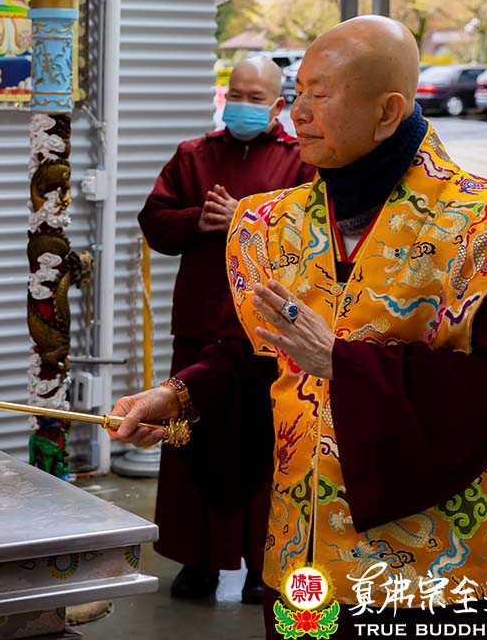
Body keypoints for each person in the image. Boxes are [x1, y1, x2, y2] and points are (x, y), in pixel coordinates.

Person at [111, 16, 487, 635]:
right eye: (298, 92)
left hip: (426, 575)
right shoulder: (269, 224)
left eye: (320, 94)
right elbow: (250, 357)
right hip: (300, 559)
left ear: (388, 112)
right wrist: (180, 395)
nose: (298, 112)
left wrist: (340, 363)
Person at [138, 56, 313, 604]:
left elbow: (312, 235)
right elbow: (154, 223)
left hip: (268, 332)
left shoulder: (301, 162)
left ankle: (265, 565)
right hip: (199, 323)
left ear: (278, 105)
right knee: (190, 438)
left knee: (270, 445)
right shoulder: (193, 156)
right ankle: (199, 562)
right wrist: (198, 219)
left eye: (255, 98)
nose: (242, 104)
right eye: (235, 94)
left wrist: (248, 221)